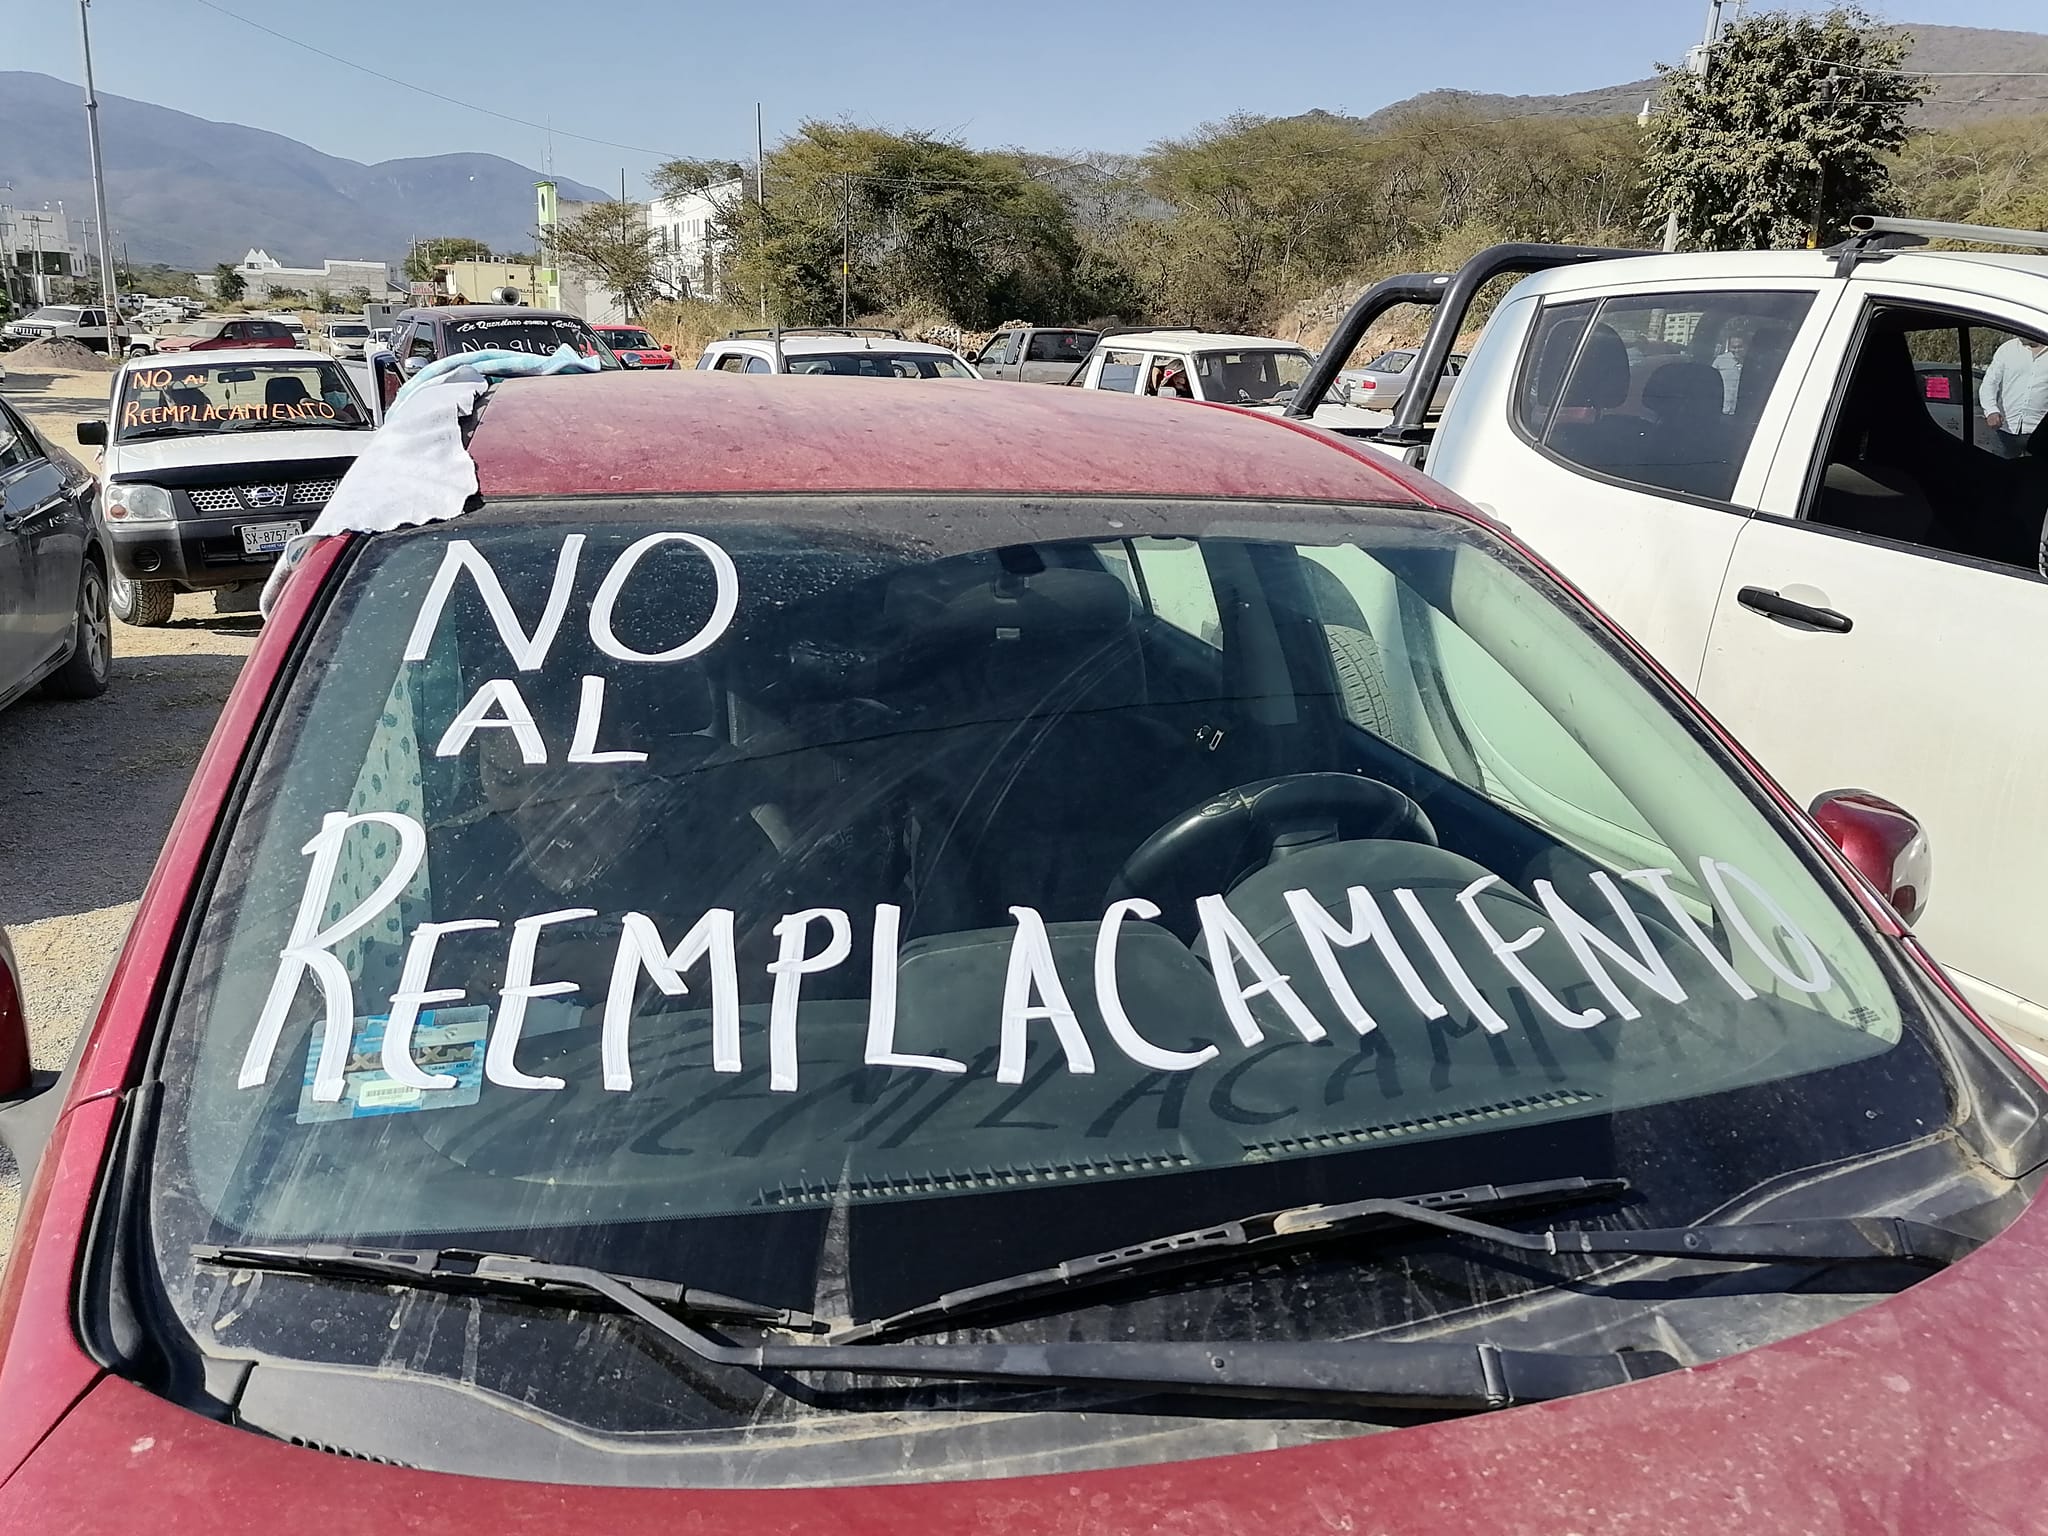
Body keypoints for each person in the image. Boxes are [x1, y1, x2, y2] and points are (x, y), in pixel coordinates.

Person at [1982, 333, 2048, 457]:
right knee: (1999, 473)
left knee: (2037, 474)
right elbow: (1989, 383)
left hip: (2040, 433)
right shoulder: (2008, 349)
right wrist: (1991, 411)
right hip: (2005, 429)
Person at [1712, 332, 1747, 415]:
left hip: (1742, 410)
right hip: (1723, 409)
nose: (1737, 350)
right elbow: (1711, 380)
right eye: (1734, 347)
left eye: (1740, 347)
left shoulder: (1751, 362)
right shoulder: (1720, 360)